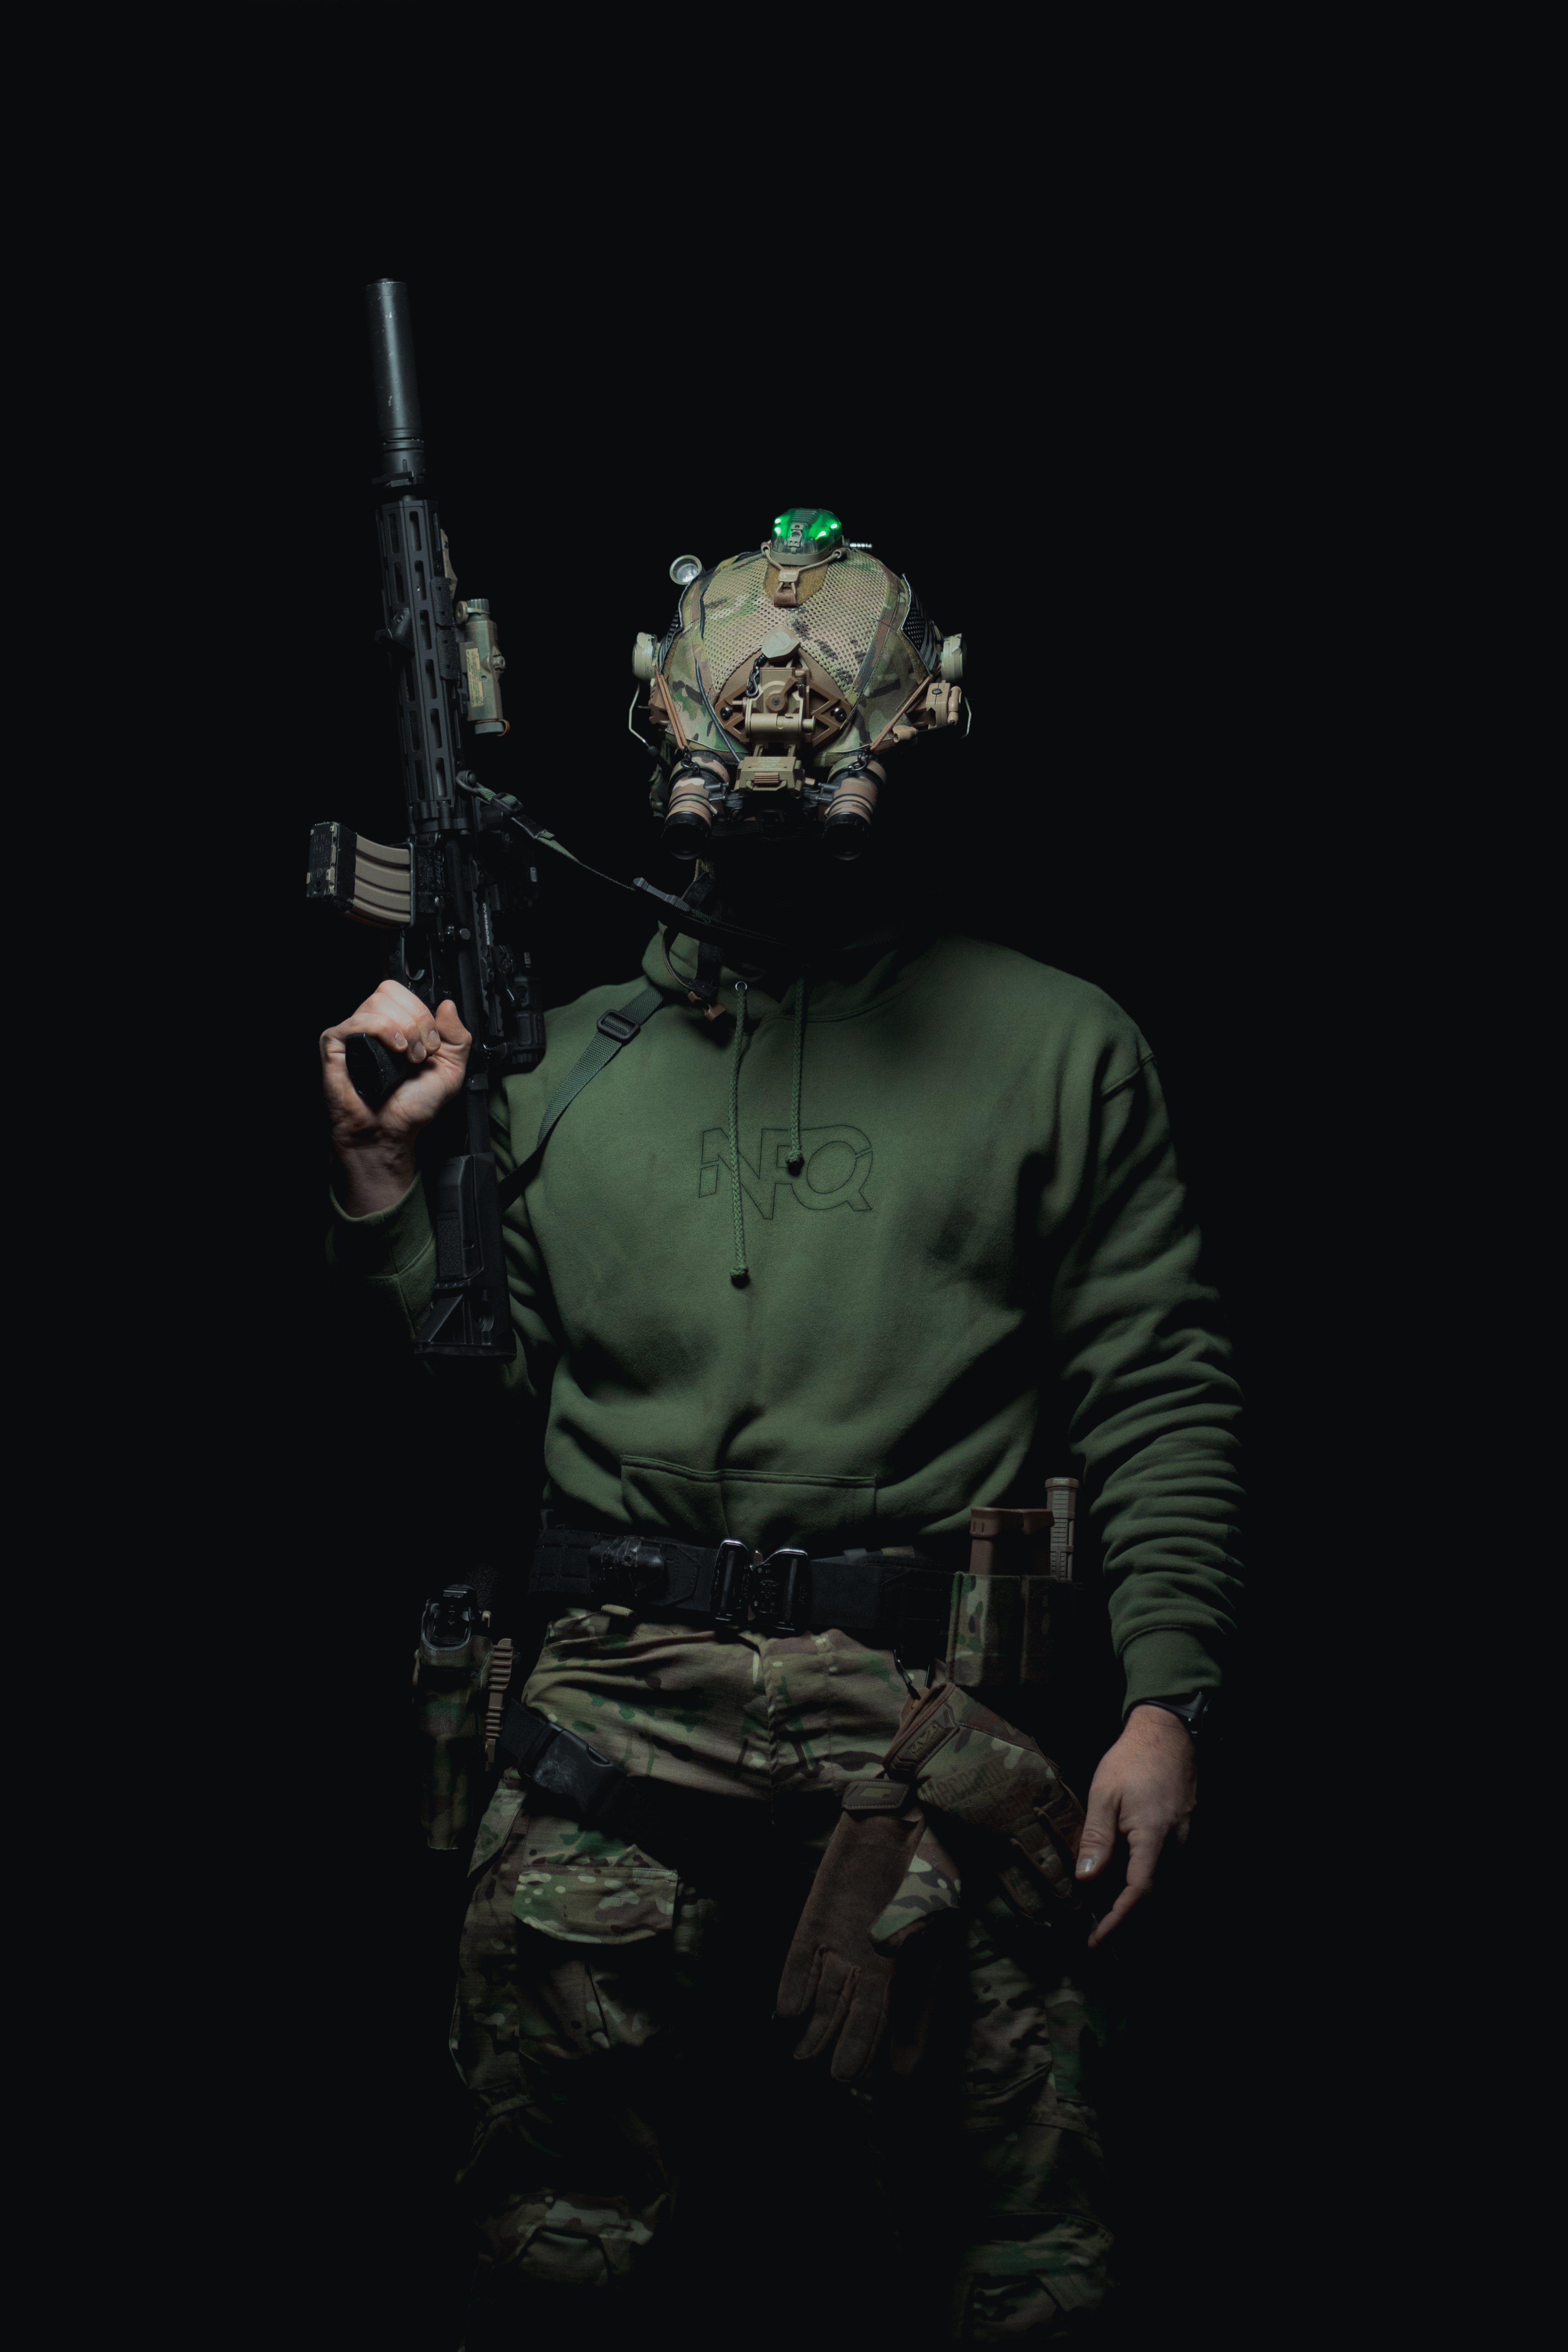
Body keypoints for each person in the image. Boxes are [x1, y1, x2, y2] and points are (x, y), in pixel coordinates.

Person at [320, 512, 1241, 2344]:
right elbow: (469, 1405)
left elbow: (1155, 1380)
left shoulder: (1056, 1046)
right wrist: (384, 1193)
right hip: (613, 1706)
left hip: (929, 1720)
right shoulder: (557, 1067)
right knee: (553, 2243)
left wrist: (1167, 1698)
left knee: (1024, 2258)